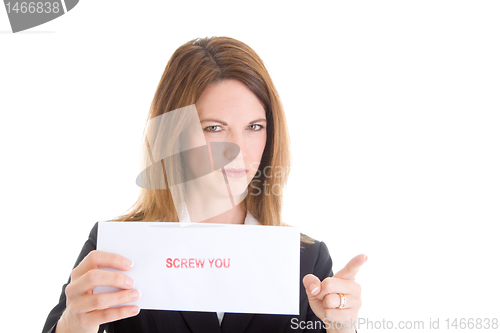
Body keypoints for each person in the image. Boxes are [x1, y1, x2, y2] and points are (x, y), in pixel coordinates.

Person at [42, 36, 366, 333]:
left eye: (254, 126)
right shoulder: (117, 248)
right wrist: (74, 323)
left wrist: (341, 329)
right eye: (214, 128)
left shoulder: (305, 260)